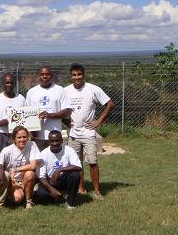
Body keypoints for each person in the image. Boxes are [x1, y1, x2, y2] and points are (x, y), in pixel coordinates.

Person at [64, 63, 115, 201]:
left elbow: (110, 104)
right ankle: (81, 189)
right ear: (70, 76)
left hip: (88, 133)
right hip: (73, 134)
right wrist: (65, 122)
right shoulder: (65, 91)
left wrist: (98, 121)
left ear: (83, 75)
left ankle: (97, 191)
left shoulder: (93, 89)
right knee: (76, 164)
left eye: (79, 74)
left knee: (92, 162)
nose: (77, 77)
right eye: (74, 75)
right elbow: (62, 109)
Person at [25, 65, 70, 151]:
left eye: (47, 74)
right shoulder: (32, 92)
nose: (45, 76)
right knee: (38, 162)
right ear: (38, 76)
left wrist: (50, 115)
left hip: (55, 136)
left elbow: (66, 111)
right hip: (37, 135)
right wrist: (32, 131)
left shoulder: (59, 90)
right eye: (42, 74)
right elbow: (28, 113)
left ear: (52, 76)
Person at [35, 130, 82, 210]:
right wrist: (51, 189)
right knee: (41, 197)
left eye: (57, 140)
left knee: (75, 175)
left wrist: (59, 170)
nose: (55, 143)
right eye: (52, 141)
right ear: (49, 142)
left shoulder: (69, 150)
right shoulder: (43, 154)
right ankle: (58, 195)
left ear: (62, 141)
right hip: (51, 181)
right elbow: (41, 177)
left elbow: (78, 166)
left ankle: (70, 202)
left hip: (64, 179)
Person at [0, 126, 41, 209]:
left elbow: (33, 165)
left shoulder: (32, 145)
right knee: (17, 198)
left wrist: (15, 169)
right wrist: (10, 181)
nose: (22, 140)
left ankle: (28, 201)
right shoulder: (7, 151)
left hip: (25, 178)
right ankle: (9, 193)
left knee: (30, 174)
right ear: (14, 139)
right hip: (11, 181)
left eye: (24, 137)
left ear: (28, 137)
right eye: (19, 137)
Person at [0, 73, 25, 154]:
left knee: (17, 158)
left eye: (11, 83)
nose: (9, 85)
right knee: (0, 159)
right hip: (2, 134)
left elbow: (25, 117)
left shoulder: (21, 99)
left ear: (15, 84)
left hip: (17, 135)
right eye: (7, 83)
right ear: (3, 84)